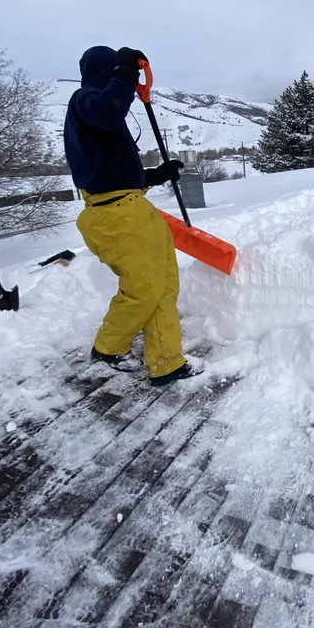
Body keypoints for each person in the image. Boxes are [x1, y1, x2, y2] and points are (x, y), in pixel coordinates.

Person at [63, 45, 201, 386]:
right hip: (114, 215)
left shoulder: (101, 115)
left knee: (164, 284)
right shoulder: (85, 101)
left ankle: (167, 361)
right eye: (117, 70)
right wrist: (125, 71)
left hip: (131, 207)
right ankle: (108, 347)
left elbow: (116, 172)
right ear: (106, 71)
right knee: (143, 288)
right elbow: (108, 111)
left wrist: (156, 175)